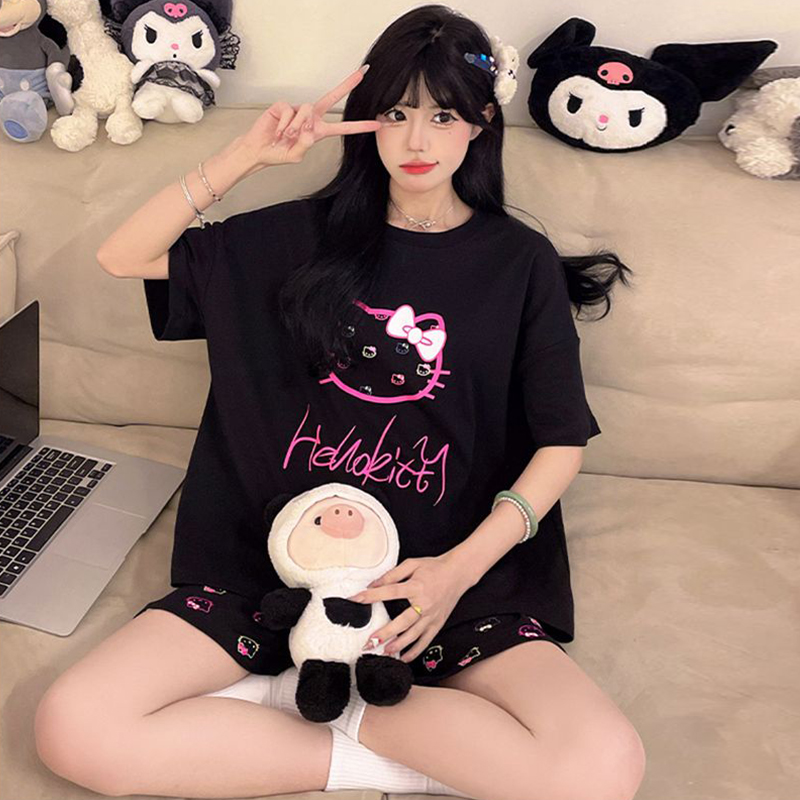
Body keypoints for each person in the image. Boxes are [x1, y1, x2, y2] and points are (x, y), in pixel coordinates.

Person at [34, 5, 646, 800]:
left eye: (443, 115)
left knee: (602, 770)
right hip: (274, 577)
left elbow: (561, 441)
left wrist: (457, 572)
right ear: (367, 120)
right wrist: (246, 155)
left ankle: (305, 703)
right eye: (396, 113)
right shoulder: (290, 239)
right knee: (73, 728)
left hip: (444, 583)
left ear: (481, 124)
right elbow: (123, 256)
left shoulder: (518, 262)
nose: (417, 140)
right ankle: (376, 737)